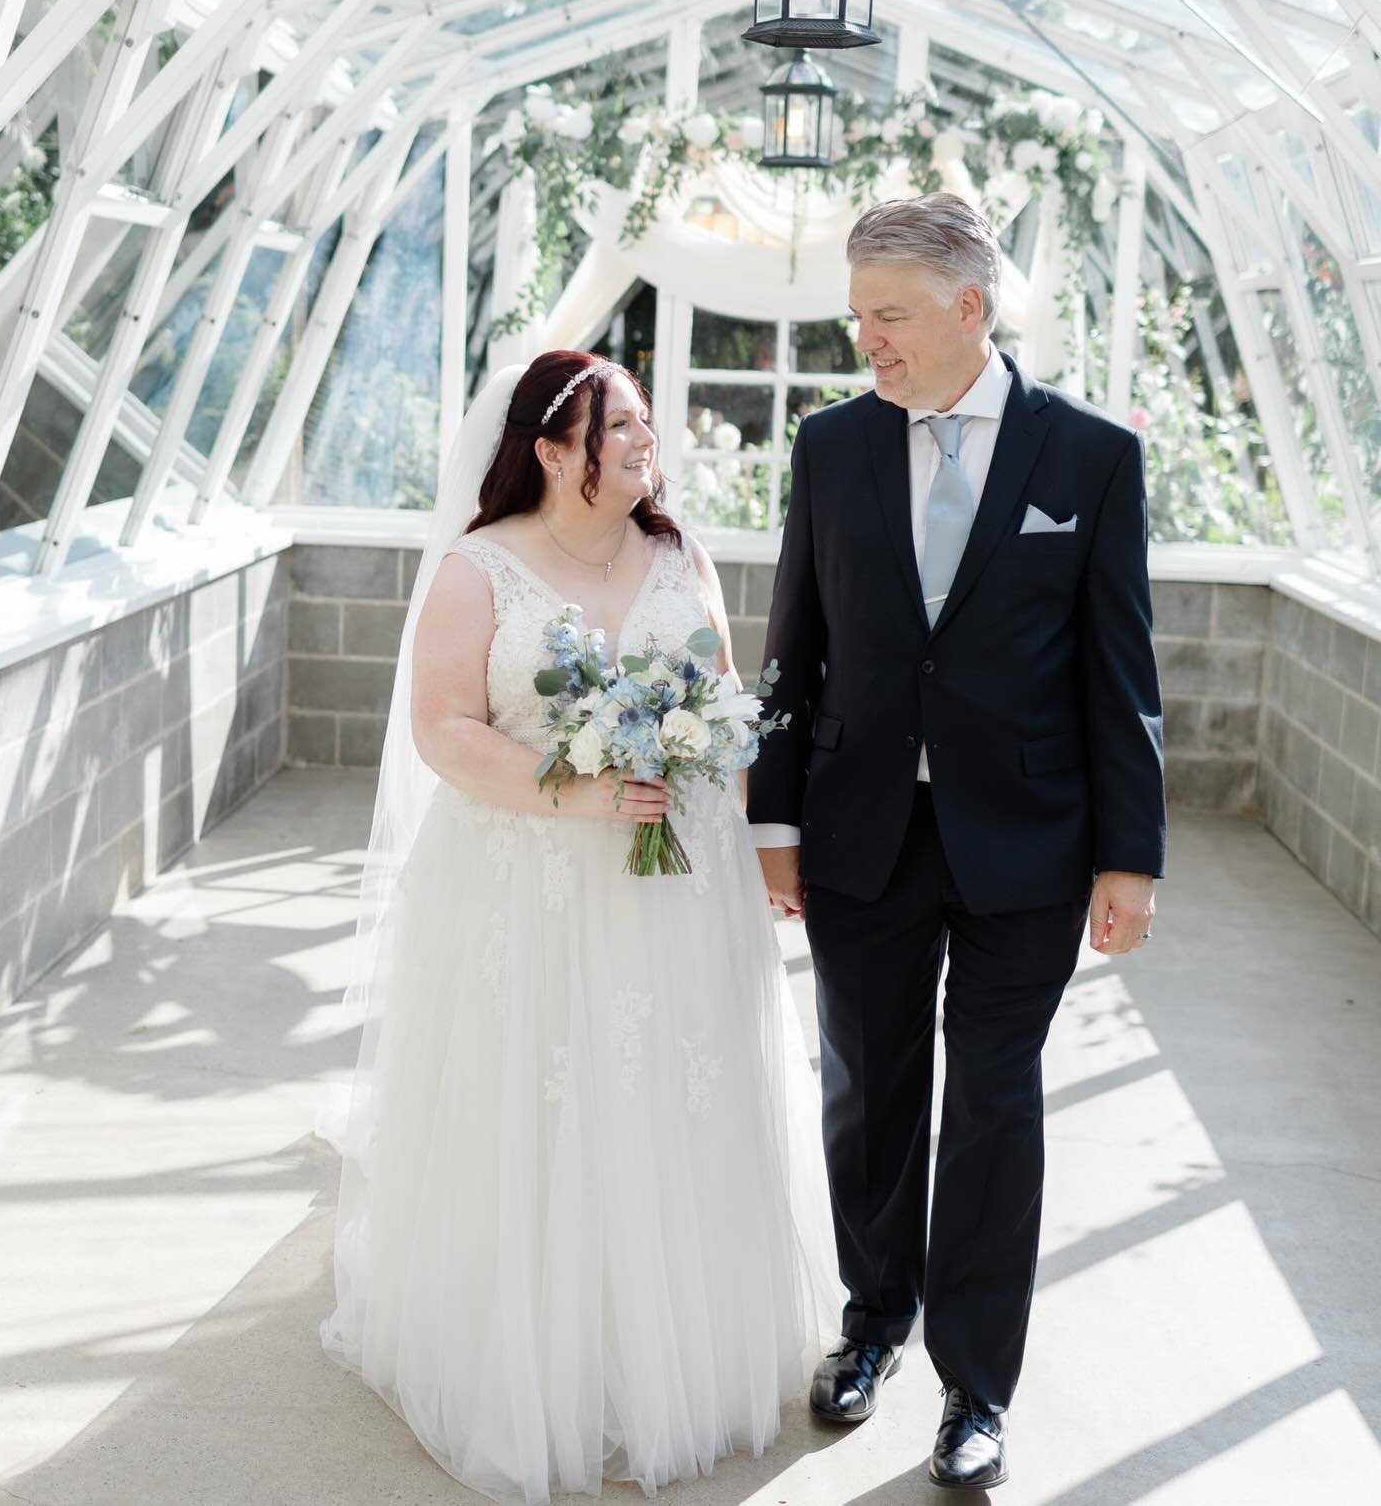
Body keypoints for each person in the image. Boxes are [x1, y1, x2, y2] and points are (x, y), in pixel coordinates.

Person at [317, 350, 842, 1505]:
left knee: (670, 1097)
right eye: (625, 426)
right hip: (531, 889)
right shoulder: (479, 571)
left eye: (650, 423)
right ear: (554, 449)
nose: (650, 442)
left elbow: (716, 704)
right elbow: (444, 728)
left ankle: (670, 1346)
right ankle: (537, 1356)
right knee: (545, 1103)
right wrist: (581, 788)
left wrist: (749, 830)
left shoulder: (678, 553)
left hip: (674, 885)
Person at [748, 193, 1166, 1491]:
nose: (865, 339)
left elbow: (1120, 672)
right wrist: (774, 815)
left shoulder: (1089, 457)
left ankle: (977, 1388)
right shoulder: (831, 449)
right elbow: (791, 650)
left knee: (994, 1100)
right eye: (857, 314)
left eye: (888, 314)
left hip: (1028, 843)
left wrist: (1130, 853)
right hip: (861, 827)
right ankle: (873, 1326)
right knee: (869, 1088)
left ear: (968, 306)